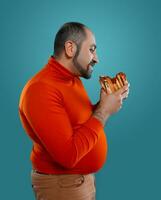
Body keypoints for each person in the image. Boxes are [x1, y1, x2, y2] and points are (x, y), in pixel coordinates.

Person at [18, 22, 130, 200]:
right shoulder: (40, 90)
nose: (96, 58)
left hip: (80, 183)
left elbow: (79, 123)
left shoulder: (71, 79)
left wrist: (104, 103)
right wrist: (103, 112)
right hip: (62, 187)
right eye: (92, 49)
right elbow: (68, 156)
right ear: (70, 48)